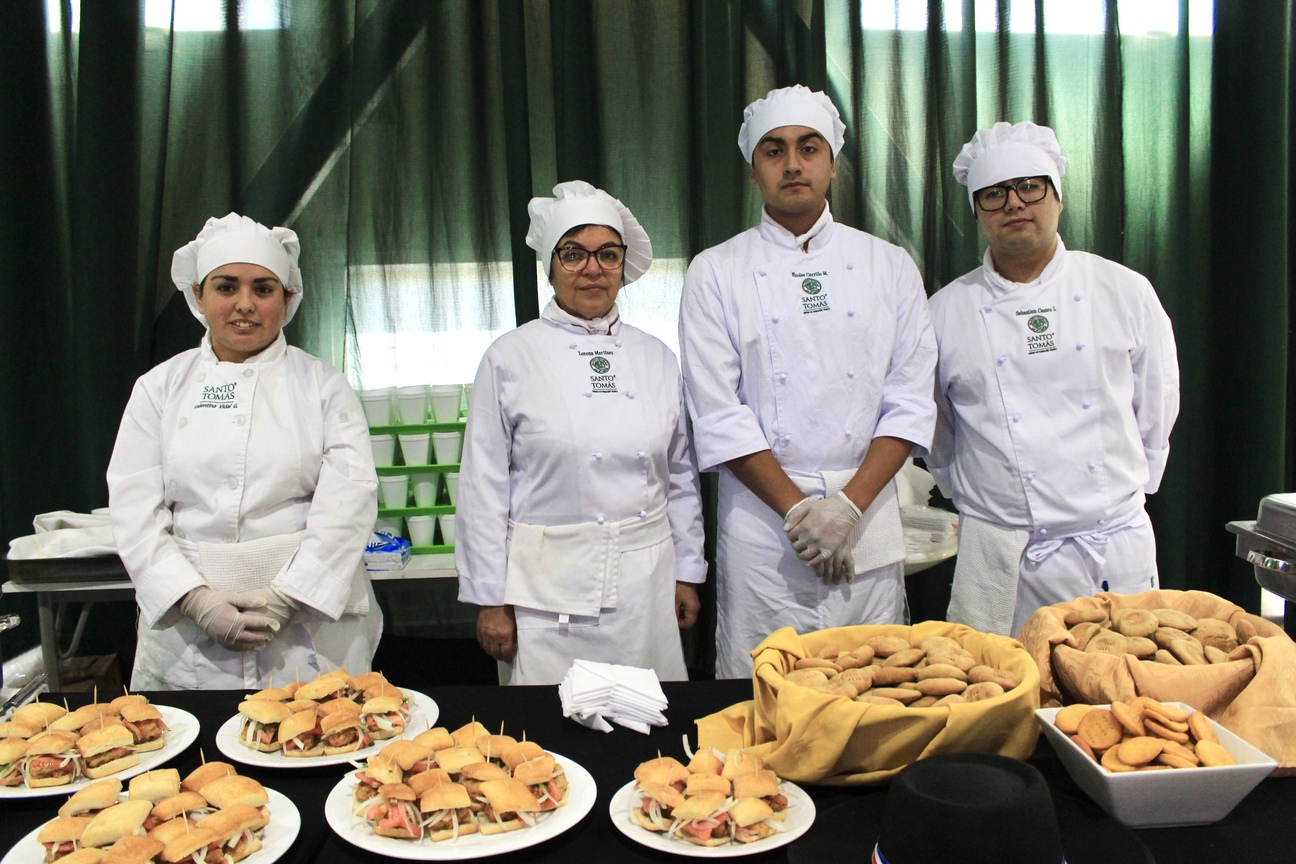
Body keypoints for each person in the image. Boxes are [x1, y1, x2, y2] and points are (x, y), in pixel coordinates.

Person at [678, 86, 938, 679]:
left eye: (808, 148)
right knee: (764, 696)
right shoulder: (716, 271)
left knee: (872, 687)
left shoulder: (889, 265)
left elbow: (909, 400)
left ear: (831, 163)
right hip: (765, 530)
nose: (793, 164)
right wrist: (802, 513)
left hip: (866, 514)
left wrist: (847, 507)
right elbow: (719, 411)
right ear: (753, 172)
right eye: (774, 151)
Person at [107, 213, 382, 690]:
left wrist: (287, 597)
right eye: (226, 287)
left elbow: (350, 501)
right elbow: (133, 507)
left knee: (315, 742)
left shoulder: (323, 385)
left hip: (308, 632)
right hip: (187, 636)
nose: (244, 305)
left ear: (288, 298)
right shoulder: (159, 388)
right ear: (198, 295)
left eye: (263, 289)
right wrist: (192, 599)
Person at [926, 121, 1180, 636]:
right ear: (977, 212)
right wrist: (984, 499)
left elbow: (1156, 408)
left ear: (1058, 197)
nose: (1015, 204)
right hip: (1002, 556)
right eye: (994, 195)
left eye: (1030, 186)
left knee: (1122, 702)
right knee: (999, 705)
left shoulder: (1122, 290)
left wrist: (1123, 494)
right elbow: (937, 435)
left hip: (1113, 546)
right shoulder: (944, 313)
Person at [456, 180, 706, 685]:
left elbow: (679, 476)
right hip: (545, 597)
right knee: (551, 736)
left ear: (622, 265)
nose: (592, 269)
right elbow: (483, 488)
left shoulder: (656, 357)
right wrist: (489, 600)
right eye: (573, 254)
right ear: (549, 266)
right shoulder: (510, 357)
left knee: (649, 720)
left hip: (646, 585)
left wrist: (688, 572)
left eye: (607, 255)